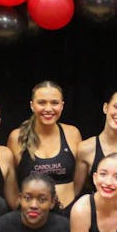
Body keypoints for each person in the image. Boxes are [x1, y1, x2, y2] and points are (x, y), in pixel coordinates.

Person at [8, 81, 82, 213]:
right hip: (33, 216)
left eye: (54, 103)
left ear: (62, 106)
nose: (48, 109)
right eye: (42, 103)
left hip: (68, 214)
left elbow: (79, 181)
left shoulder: (72, 133)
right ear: (32, 105)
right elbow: (11, 186)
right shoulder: (17, 137)